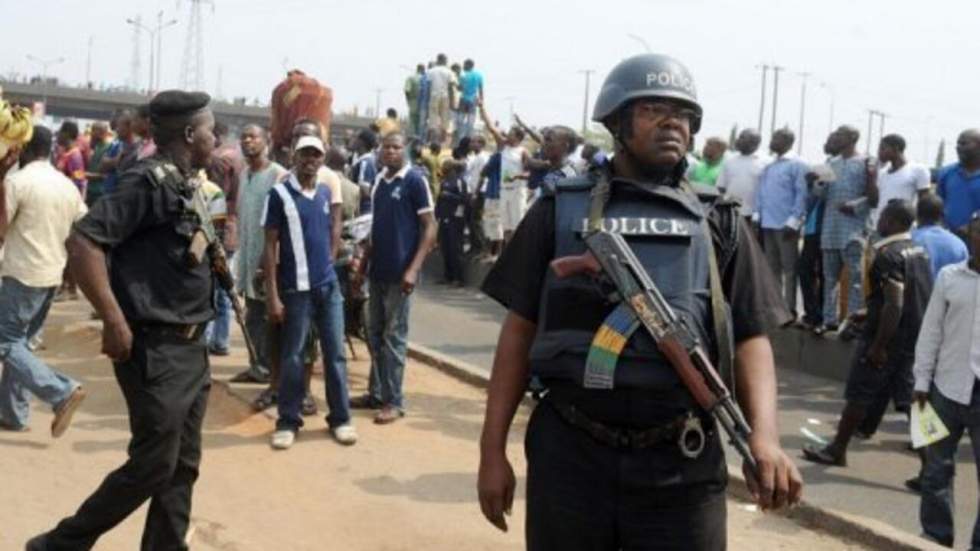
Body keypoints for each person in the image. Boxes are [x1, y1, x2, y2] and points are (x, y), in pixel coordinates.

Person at [476, 53, 802, 551]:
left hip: (681, 461)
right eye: (653, 109)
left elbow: (752, 338)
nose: (672, 123)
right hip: (571, 453)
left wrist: (765, 436)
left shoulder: (719, 220)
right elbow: (519, 333)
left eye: (683, 115)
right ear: (617, 122)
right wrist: (491, 450)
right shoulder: (560, 208)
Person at [28, 90, 217, 550]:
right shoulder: (147, 182)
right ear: (190, 134)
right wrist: (114, 320)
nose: (217, 136)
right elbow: (84, 242)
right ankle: (60, 544)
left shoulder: (185, 182)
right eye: (212, 128)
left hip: (190, 347)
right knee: (154, 463)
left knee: (182, 466)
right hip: (156, 348)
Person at [802, 199, 932, 467]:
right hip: (912, 337)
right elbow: (907, 297)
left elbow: (894, 304)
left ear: (894, 221)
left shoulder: (888, 255)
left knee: (858, 394)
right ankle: (935, 466)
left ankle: (837, 450)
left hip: (887, 338)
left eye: (883, 215)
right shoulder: (919, 250)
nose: (879, 220)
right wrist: (868, 311)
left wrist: (878, 346)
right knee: (914, 402)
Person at [262, 134, 356, 449]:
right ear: (294, 156)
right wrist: (272, 295)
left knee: (335, 355)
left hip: (327, 287)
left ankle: (340, 418)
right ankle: (288, 421)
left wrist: (330, 259)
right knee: (292, 357)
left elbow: (332, 229)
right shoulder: (278, 194)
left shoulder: (326, 192)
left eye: (315, 155)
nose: (310, 160)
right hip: (295, 289)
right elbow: (270, 245)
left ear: (322, 158)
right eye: (305, 154)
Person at [0, 127, 88, 436]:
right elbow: (82, 225)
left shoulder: (16, 182)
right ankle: (13, 413)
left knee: (6, 341)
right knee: (22, 344)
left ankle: (60, 391)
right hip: (51, 274)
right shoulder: (65, 186)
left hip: (22, 273)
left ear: (22, 149)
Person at [351, 132, 437, 424]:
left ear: (404, 151)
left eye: (396, 147)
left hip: (401, 274)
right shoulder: (378, 182)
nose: (390, 152)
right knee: (374, 334)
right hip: (378, 271)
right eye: (386, 147)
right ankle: (376, 393)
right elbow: (375, 230)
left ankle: (394, 401)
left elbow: (429, 227)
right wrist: (362, 267)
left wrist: (413, 269)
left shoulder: (414, 180)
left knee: (394, 337)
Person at [914, 210, 980, 548]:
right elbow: (931, 332)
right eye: (977, 231)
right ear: (970, 235)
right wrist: (921, 381)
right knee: (936, 470)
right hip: (945, 389)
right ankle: (936, 537)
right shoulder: (949, 277)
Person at [230, 124, 288, 391]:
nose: (247, 140)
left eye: (253, 136)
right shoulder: (243, 175)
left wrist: (269, 263)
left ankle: (271, 372)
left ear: (267, 141)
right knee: (252, 314)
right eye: (244, 136)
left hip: (267, 259)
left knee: (269, 318)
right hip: (247, 255)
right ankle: (257, 366)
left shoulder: (278, 175)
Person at [818, 125, 874, 333]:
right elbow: (822, 196)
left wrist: (855, 205)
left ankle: (852, 321)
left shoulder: (866, 162)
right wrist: (815, 184)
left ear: (852, 137)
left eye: (840, 134)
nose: (836, 137)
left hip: (854, 229)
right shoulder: (831, 163)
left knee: (855, 278)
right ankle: (829, 320)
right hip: (830, 228)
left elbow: (873, 197)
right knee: (829, 278)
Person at [754, 128, 809, 317]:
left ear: (787, 140)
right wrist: (757, 216)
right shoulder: (770, 165)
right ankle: (776, 307)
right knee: (772, 268)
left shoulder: (798, 164)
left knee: (789, 269)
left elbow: (802, 193)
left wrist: (794, 222)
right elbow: (761, 193)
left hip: (786, 225)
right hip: (768, 223)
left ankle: (790, 308)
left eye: (776, 137)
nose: (772, 140)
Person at [479, 101, 529, 245]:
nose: (508, 135)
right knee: (506, 226)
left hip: (517, 191)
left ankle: (518, 252)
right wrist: (482, 108)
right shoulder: (503, 147)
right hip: (504, 191)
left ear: (518, 138)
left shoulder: (523, 152)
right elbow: (491, 128)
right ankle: (507, 253)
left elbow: (528, 174)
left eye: (511, 134)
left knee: (517, 226)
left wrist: (517, 177)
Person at [871, 134, 930, 227]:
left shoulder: (917, 170)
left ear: (896, 149)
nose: (879, 152)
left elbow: (925, 201)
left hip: (903, 227)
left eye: (883, 148)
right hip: (880, 226)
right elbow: (875, 200)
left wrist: (921, 224)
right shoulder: (882, 173)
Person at [911, 193, 968, 280]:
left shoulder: (910, 241)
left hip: (920, 293)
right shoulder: (958, 244)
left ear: (917, 215)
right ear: (943, 215)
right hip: (951, 292)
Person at [936, 129, 980, 236]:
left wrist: (971, 227)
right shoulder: (946, 173)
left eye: (964, 143)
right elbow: (938, 204)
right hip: (949, 236)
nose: (958, 147)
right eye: (958, 144)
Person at [716, 128, 764, 222]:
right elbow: (720, 187)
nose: (737, 140)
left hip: (752, 216)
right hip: (729, 212)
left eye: (742, 137)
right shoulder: (729, 160)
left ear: (754, 143)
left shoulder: (765, 163)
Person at [436, 159, 468, 286]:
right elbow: (439, 199)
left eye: (446, 166)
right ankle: (447, 276)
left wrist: (449, 196)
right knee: (445, 248)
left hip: (455, 219)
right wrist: (437, 214)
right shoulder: (444, 181)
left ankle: (458, 278)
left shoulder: (460, 181)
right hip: (444, 219)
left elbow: (464, 199)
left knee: (455, 249)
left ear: (452, 169)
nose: (443, 168)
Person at [99, 109, 137, 195]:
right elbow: (102, 166)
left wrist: (112, 162)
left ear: (129, 127)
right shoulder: (116, 144)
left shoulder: (137, 148)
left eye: (119, 126)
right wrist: (116, 160)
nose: (116, 130)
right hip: (109, 192)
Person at [426, 53, 455, 142]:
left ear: (437, 60)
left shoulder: (431, 71)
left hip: (434, 96)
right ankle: (443, 141)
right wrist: (452, 102)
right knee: (445, 120)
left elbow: (428, 86)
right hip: (445, 96)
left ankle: (432, 141)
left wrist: (428, 99)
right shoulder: (449, 72)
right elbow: (451, 87)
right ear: (445, 61)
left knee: (433, 120)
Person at [454, 58, 484, 144]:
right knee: (471, 122)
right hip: (473, 100)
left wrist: (455, 85)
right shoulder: (479, 75)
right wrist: (481, 101)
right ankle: (469, 140)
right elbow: (481, 89)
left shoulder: (463, 75)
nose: (463, 66)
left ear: (468, 65)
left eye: (464, 65)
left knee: (460, 121)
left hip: (463, 99)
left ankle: (460, 140)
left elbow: (460, 88)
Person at [55, 120, 88, 199]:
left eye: (60, 132)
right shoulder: (65, 153)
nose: (57, 135)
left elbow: (79, 181)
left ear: (67, 134)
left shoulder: (75, 156)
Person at [351, 128, 379, 214]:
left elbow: (365, 191)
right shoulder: (362, 160)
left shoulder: (365, 163)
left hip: (363, 211)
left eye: (355, 137)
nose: (352, 140)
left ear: (362, 142)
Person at [83, 121, 111, 206]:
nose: (91, 134)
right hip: (91, 191)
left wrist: (85, 175)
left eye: (93, 131)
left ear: (101, 133)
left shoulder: (108, 148)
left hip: (99, 193)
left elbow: (104, 175)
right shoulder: (97, 147)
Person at [404, 64, 424, 138]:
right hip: (424, 104)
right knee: (422, 122)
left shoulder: (411, 78)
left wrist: (408, 100)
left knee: (412, 122)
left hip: (413, 102)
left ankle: (412, 138)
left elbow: (407, 90)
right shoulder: (425, 78)